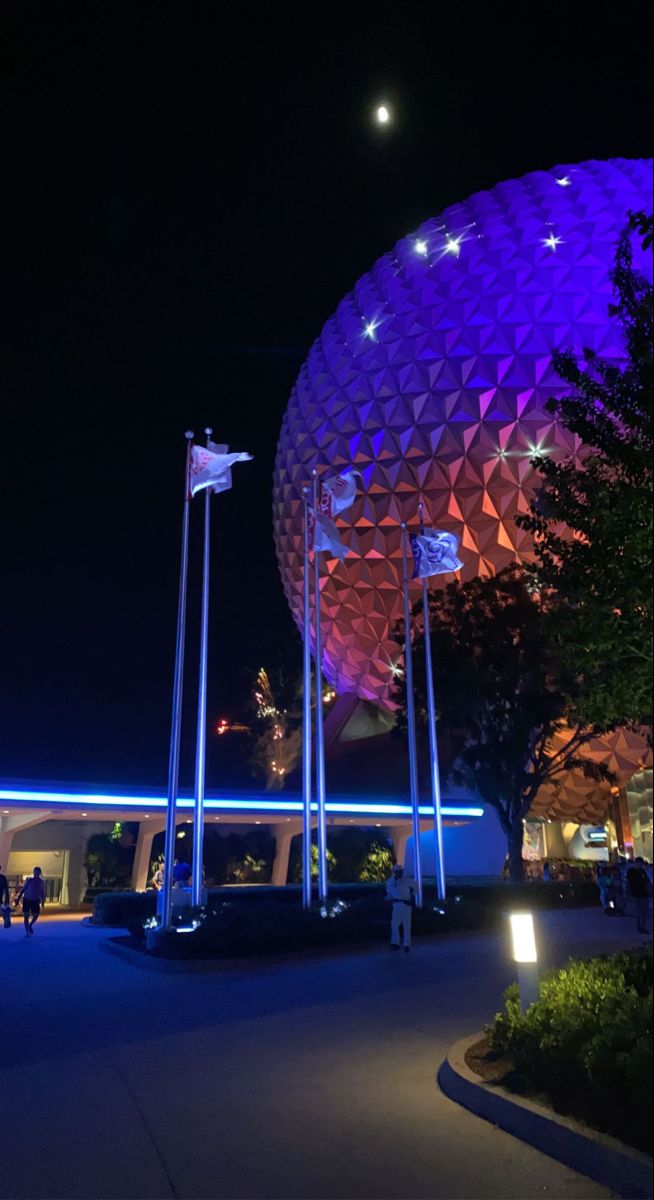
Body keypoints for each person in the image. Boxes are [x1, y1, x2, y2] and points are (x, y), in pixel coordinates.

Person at [385, 864, 415, 953]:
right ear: (395, 872)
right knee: (394, 925)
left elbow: (416, 888)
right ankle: (395, 944)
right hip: (397, 904)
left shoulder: (407, 880)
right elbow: (389, 893)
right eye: (398, 871)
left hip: (406, 904)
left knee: (407, 926)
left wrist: (411, 898)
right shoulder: (390, 881)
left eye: (401, 871)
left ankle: (406, 945)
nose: (400, 873)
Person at [14, 866, 46, 936]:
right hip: (27, 900)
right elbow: (23, 890)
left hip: (35, 900)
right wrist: (18, 899)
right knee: (26, 916)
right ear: (34, 872)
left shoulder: (41, 882)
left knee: (36, 915)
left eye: (38, 872)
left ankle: (30, 925)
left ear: (39, 873)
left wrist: (43, 901)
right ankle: (27, 932)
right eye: (35, 871)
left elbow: (42, 892)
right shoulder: (29, 880)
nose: (36, 873)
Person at [626, 857, 652, 935]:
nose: (641, 865)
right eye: (640, 863)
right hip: (636, 894)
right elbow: (629, 883)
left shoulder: (642, 871)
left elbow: (646, 881)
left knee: (644, 911)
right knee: (639, 910)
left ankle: (642, 926)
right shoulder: (631, 871)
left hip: (643, 893)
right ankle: (640, 926)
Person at [1, 864, 11, 929]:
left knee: (3, 910)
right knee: (3, 911)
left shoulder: (3, 878)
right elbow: (6, 890)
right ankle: (6, 920)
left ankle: (6, 919)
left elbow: (6, 890)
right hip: (0, 899)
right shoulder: (3, 877)